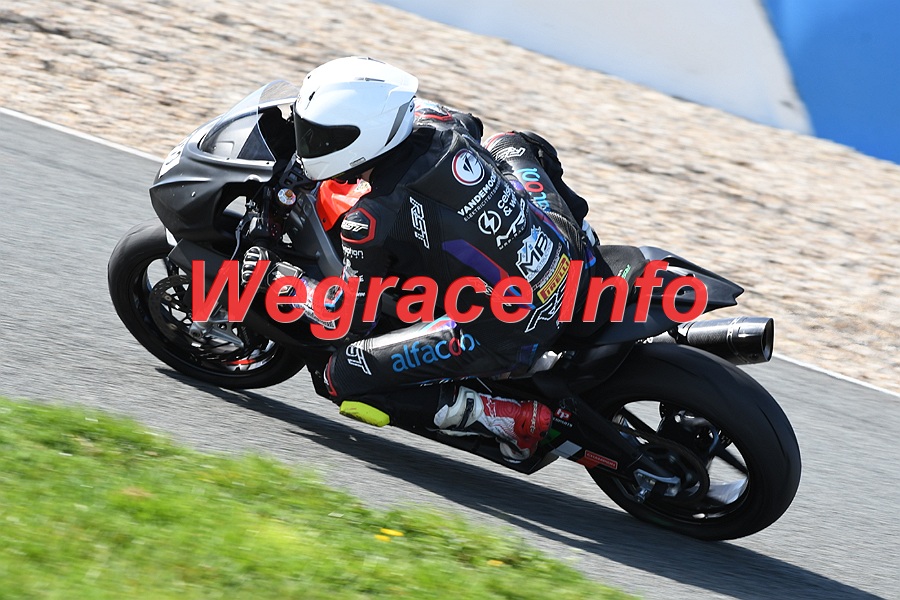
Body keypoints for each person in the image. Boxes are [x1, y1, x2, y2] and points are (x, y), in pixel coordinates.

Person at [245, 56, 602, 462]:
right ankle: (588, 238)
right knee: (512, 142)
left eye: (318, 137)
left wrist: (278, 280)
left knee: (340, 373)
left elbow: (348, 320)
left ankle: (504, 418)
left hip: (512, 326)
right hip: (567, 254)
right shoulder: (439, 121)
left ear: (359, 140)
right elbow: (471, 124)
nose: (308, 143)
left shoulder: (369, 221)